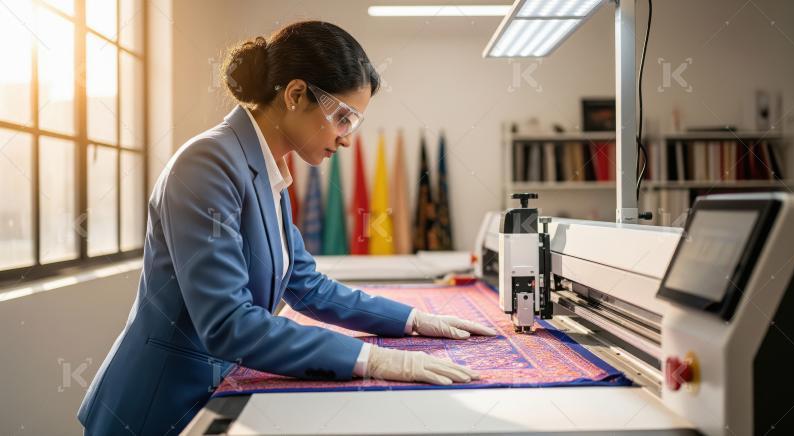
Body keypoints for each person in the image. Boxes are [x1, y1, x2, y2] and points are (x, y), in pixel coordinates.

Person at [77, 20, 495, 435]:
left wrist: (412, 320)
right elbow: (228, 322)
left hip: (210, 390)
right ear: (296, 95)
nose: (347, 138)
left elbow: (305, 284)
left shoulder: (265, 167)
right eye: (343, 118)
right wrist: (370, 359)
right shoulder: (207, 164)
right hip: (155, 408)